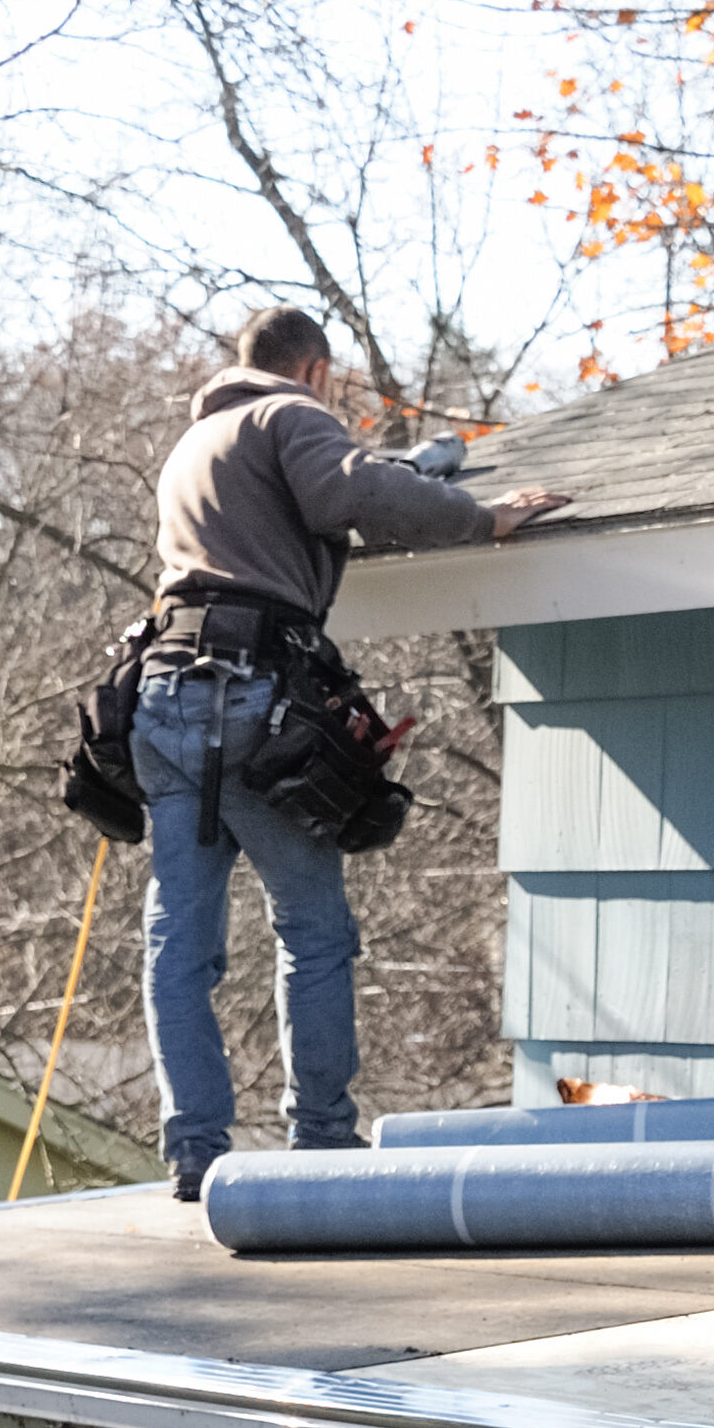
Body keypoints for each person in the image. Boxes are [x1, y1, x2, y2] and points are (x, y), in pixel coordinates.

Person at [137, 307, 571, 1197]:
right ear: (317, 371)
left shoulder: (196, 445)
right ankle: (324, 1138)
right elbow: (351, 496)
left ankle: (196, 1152)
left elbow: (320, 497)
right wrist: (482, 516)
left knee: (180, 942)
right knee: (314, 932)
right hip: (249, 696)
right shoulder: (290, 417)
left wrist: (405, 474)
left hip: (163, 697)